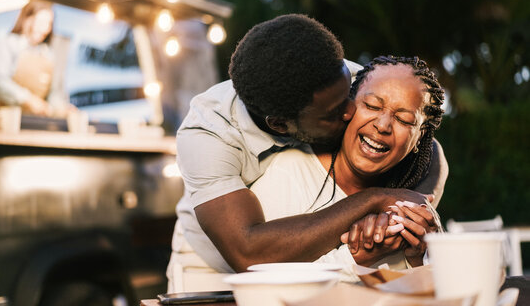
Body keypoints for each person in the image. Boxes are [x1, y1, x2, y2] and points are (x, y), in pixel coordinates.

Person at [166, 15, 446, 292]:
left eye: (350, 97)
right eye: (334, 113)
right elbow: (249, 254)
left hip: (314, 267)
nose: (350, 111)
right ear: (279, 125)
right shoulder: (208, 134)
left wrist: (409, 210)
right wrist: (374, 199)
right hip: (211, 268)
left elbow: (426, 144)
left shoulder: (332, 78)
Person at [250, 55, 446, 279]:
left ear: (419, 139)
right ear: (347, 107)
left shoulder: (407, 211)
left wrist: (421, 258)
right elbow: (258, 285)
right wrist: (355, 259)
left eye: (403, 120)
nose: (383, 125)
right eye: (372, 106)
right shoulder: (288, 173)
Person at [0, 0, 73, 117]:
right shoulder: (10, 43)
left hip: (36, 121)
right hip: (8, 120)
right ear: (27, 20)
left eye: (49, 24)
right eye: (41, 22)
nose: (45, 30)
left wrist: (61, 108)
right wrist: (28, 99)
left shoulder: (47, 53)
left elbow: (53, 93)